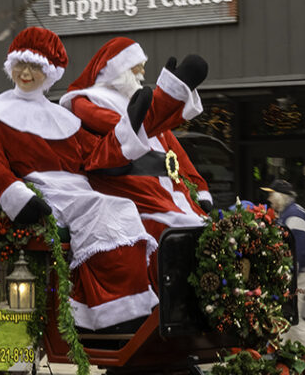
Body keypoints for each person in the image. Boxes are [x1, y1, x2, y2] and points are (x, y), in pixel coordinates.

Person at [0, 27, 158, 332]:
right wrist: (18, 198)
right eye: (21, 64)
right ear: (10, 67)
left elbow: (96, 152)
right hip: (42, 190)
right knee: (101, 209)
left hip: (77, 189)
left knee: (123, 207)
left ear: (50, 72)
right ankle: (107, 312)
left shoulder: (63, 117)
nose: (26, 73)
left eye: (35, 66)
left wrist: (129, 128)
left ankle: (128, 304)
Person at [59, 37, 212, 290]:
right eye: (136, 67)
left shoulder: (138, 103)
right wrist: (167, 97)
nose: (142, 73)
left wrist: (199, 188)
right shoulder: (87, 101)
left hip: (163, 191)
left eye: (143, 66)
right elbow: (121, 130)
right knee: (171, 230)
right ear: (116, 68)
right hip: (124, 190)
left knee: (204, 227)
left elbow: (175, 152)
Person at [261, 179, 305, 320]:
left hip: (298, 277)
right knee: (287, 320)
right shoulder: (288, 213)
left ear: (281, 195)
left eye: (272, 194)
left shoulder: (294, 216)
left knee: (291, 320)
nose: (269, 198)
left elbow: (298, 252)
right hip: (296, 276)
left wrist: (288, 278)